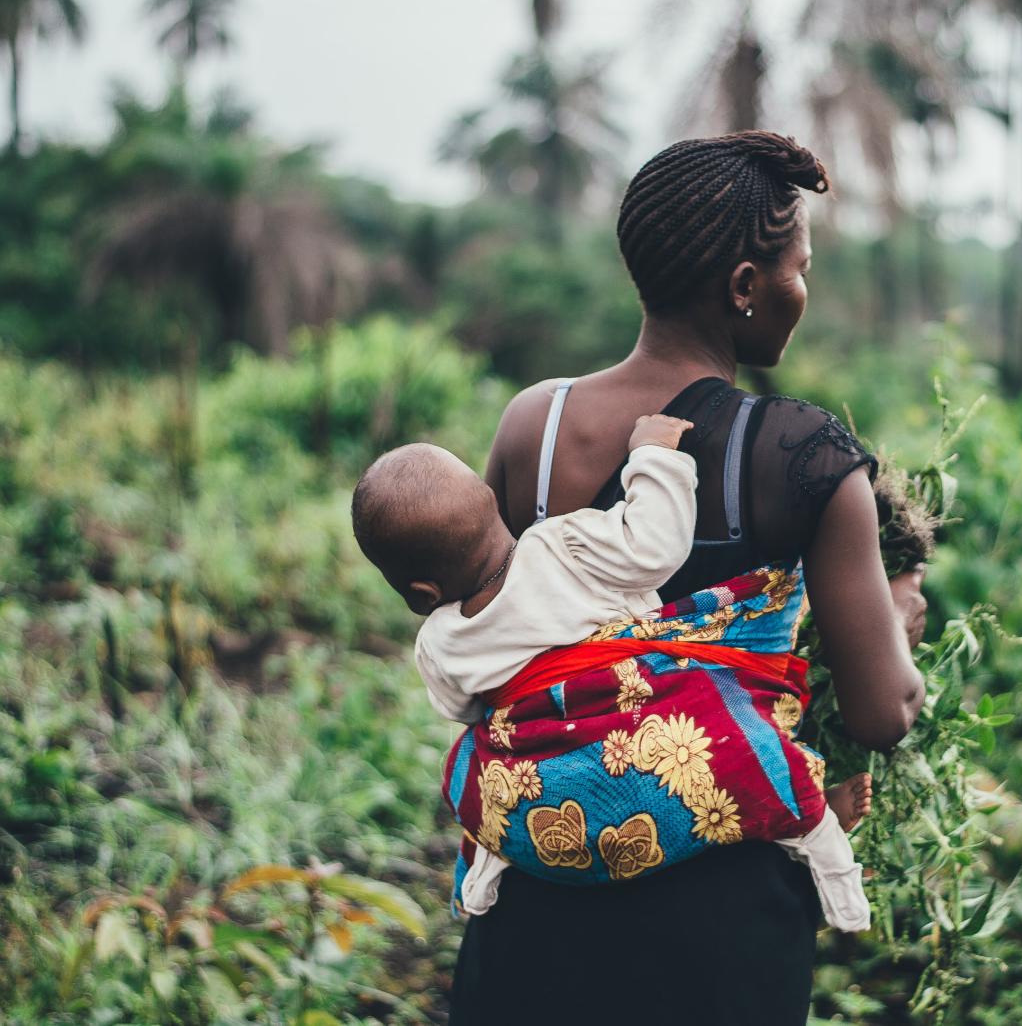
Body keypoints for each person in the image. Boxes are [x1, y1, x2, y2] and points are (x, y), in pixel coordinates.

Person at [450, 131, 927, 1025]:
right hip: (719, 933)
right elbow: (881, 713)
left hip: (540, 893)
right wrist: (897, 611)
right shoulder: (804, 455)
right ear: (745, 286)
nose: (803, 291)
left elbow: (491, 637)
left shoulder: (533, 428)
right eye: (799, 267)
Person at [348, 414, 874, 931]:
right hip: (642, 743)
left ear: (421, 593)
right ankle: (823, 846)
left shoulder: (439, 642)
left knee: (470, 767)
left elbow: (465, 710)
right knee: (740, 743)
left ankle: (488, 865)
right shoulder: (562, 545)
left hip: (545, 797)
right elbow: (655, 547)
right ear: (491, 503)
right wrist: (653, 456)